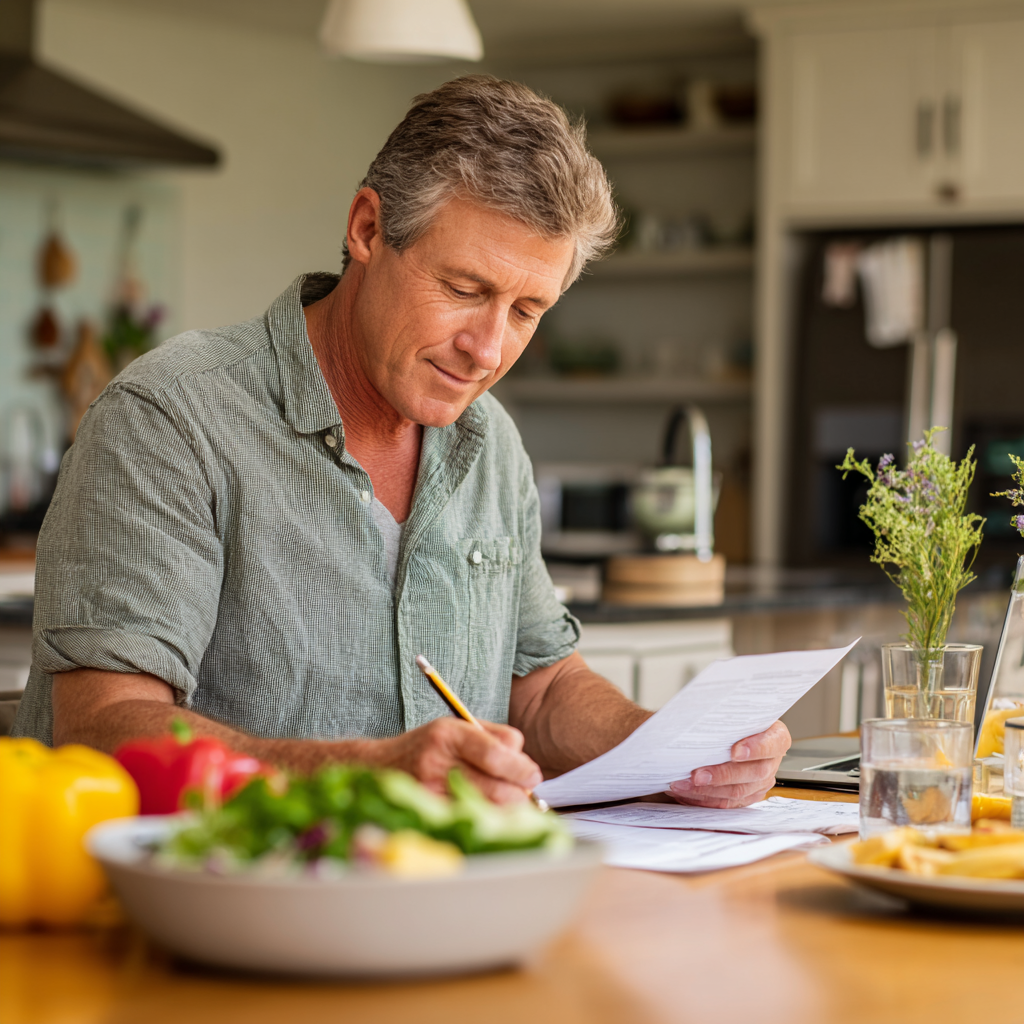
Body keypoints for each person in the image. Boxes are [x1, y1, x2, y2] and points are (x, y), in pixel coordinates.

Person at [14, 76, 789, 807]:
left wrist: (670, 751)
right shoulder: (171, 418)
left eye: (526, 310)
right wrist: (372, 775)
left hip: (438, 904)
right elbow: (104, 728)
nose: (487, 349)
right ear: (367, 229)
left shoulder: (490, 445)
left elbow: (542, 686)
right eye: (464, 290)